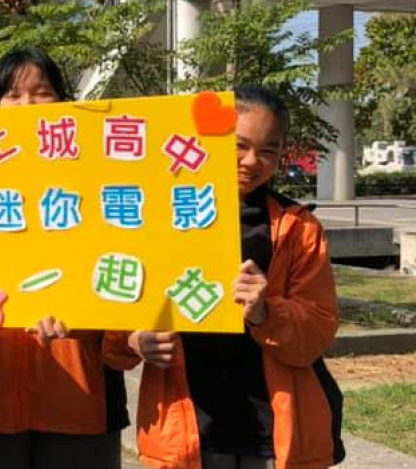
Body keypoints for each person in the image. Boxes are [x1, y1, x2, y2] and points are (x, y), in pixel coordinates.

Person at [107, 86, 344, 469]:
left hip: (272, 430)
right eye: (239, 145)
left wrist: (266, 312)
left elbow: (318, 328)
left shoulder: (298, 228)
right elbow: (115, 312)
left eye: (267, 150)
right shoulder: (154, 216)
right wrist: (134, 339)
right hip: (187, 426)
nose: (251, 161)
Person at [0, 48, 130, 469]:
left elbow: (129, 273)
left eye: (42, 93)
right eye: (13, 94)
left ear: (63, 101)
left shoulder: (102, 181)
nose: (27, 105)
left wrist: (88, 319)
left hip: (82, 397)